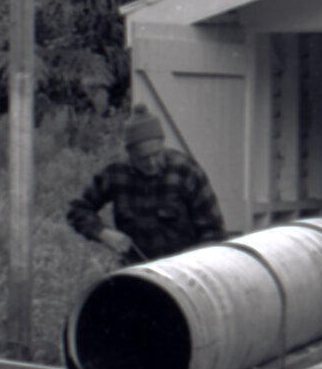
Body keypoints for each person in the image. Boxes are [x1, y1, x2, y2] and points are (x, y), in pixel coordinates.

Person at [67, 105, 225, 263]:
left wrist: (194, 262)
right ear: (130, 154)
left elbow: (214, 232)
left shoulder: (186, 172)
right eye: (143, 158)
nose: (151, 163)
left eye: (156, 155)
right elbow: (77, 209)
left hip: (182, 269)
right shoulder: (116, 174)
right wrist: (102, 233)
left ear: (162, 145)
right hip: (137, 269)